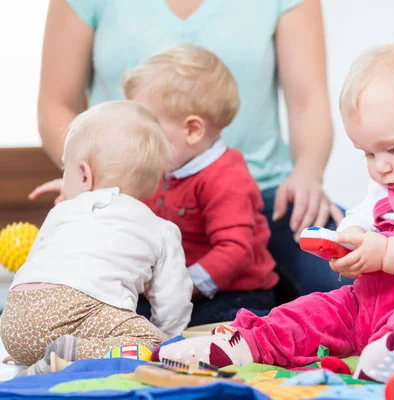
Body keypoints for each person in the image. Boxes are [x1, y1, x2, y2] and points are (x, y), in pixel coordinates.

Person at [151, 44, 394, 382]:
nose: (380, 167)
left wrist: (385, 253)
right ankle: (242, 345)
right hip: (370, 301)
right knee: (311, 311)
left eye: (390, 148)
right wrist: (347, 238)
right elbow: (363, 213)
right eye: (368, 154)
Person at [30, 0, 350, 304]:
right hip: (134, 197)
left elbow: (308, 102)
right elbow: (56, 105)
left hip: (271, 196)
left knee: (353, 280)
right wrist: (96, 179)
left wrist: (307, 172)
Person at [1, 101, 193, 375]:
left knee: (54, 329)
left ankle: (40, 353)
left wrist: (22, 340)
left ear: (84, 175)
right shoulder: (159, 228)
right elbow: (173, 300)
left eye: (64, 170)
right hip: (75, 310)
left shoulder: (61, 211)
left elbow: (34, 264)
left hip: (14, 322)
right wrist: (166, 335)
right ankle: (72, 352)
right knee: (155, 345)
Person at [122, 44, 279, 325]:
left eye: (148, 129)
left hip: (233, 293)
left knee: (229, 333)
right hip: (170, 288)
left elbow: (235, 251)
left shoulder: (226, 177)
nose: (138, 139)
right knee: (125, 320)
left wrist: (182, 286)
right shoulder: (162, 163)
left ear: (192, 130)